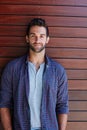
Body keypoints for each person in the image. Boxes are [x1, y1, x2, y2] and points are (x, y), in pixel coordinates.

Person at [0, 18, 69, 130]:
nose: (37, 40)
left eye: (41, 36)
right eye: (33, 36)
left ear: (47, 39)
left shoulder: (58, 71)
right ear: (27, 38)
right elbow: (4, 104)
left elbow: (62, 106)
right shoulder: (13, 68)